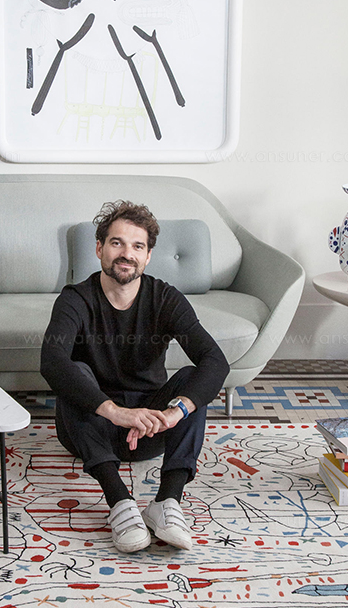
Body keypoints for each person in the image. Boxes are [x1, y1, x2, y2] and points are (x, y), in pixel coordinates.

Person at [40, 200, 229, 554]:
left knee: (192, 378)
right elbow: (51, 362)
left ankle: (167, 502)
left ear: (148, 255)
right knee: (74, 372)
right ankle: (120, 502)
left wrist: (174, 413)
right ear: (99, 248)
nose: (127, 254)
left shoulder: (165, 298)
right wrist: (115, 412)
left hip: (150, 429)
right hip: (90, 428)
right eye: (117, 243)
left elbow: (215, 361)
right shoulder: (75, 299)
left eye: (137, 246)